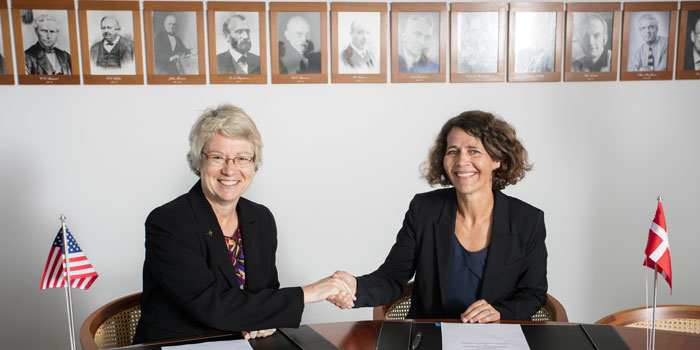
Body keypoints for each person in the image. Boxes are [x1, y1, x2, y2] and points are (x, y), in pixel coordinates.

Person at [133, 104, 354, 343]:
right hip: (179, 345)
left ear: (253, 164)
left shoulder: (261, 218)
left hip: (245, 342)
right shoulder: (169, 222)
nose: (230, 169)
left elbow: (266, 294)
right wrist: (309, 293)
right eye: (218, 157)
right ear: (199, 161)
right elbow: (211, 305)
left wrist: (265, 319)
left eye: (242, 158)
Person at [329, 111, 548, 323]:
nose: (461, 161)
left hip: (495, 339)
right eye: (453, 151)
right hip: (430, 339)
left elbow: (533, 293)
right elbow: (392, 278)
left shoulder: (527, 220)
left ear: (498, 159)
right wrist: (354, 287)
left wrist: (500, 313)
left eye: (474, 151)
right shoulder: (424, 209)